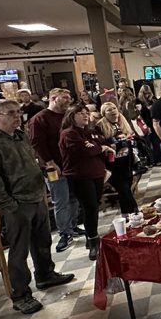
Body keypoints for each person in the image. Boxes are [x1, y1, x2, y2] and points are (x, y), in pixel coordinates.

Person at [0, 99, 73, 313]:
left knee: (43, 240)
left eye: (18, 112)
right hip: (17, 204)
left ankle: (45, 275)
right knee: (19, 251)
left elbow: (29, 162)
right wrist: (11, 206)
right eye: (11, 113)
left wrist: (43, 170)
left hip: (36, 196)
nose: (17, 116)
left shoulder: (21, 136)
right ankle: (21, 294)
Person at [28, 88, 81, 253]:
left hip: (72, 165)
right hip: (54, 166)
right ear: (53, 98)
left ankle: (73, 226)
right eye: (64, 98)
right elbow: (37, 144)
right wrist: (50, 162)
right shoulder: (39, 119)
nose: (68, 100)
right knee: (61, 200)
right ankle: (64, 232)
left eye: (69, 97)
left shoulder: (67, 117)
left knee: (74, 197)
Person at [59, 103, 113, 261]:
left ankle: (93, 238)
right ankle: (93, 241)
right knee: (89, 207)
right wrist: (99, 148)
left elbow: (102, 144)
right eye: (80, 113)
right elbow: (86, 150)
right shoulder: (68, 134)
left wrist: (99, 147)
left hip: (96, 173)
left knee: (94, 206)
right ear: (71, 116)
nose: (85, 115)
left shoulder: (90, 131)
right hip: (80, 176)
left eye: (86, 113)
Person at [97, 102, 139, 217]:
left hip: (127, 163)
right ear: (104, 113)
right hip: (113, 166)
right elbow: (104, 146)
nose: (113, 111)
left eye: (114, 108)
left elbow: (132, 141)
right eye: (109, 110)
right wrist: (119, 144)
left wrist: (131, 142)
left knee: (126, 191)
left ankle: (126, 215)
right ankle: (136, 213)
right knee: (124, 190)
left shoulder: (122, 123)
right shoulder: (100, 126)